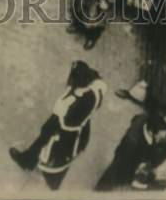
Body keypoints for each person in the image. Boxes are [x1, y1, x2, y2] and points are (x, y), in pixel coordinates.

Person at [9, 60, 106, 190]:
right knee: (65, 154)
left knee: (53, 151)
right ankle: (51, 179)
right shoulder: (97, 90)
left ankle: (30, 163)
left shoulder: (74, 101)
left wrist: (51, 127)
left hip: (65, 129)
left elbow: (62, 118)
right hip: (80, 127)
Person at [95, 110, 166, 192]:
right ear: (151, 132)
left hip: (134, 155)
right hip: (124, 163)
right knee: (113, 180)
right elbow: (126, 167)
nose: (163, 138)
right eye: (160, 137)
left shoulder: (148, 124)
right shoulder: (131, 145)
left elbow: (139, 118)